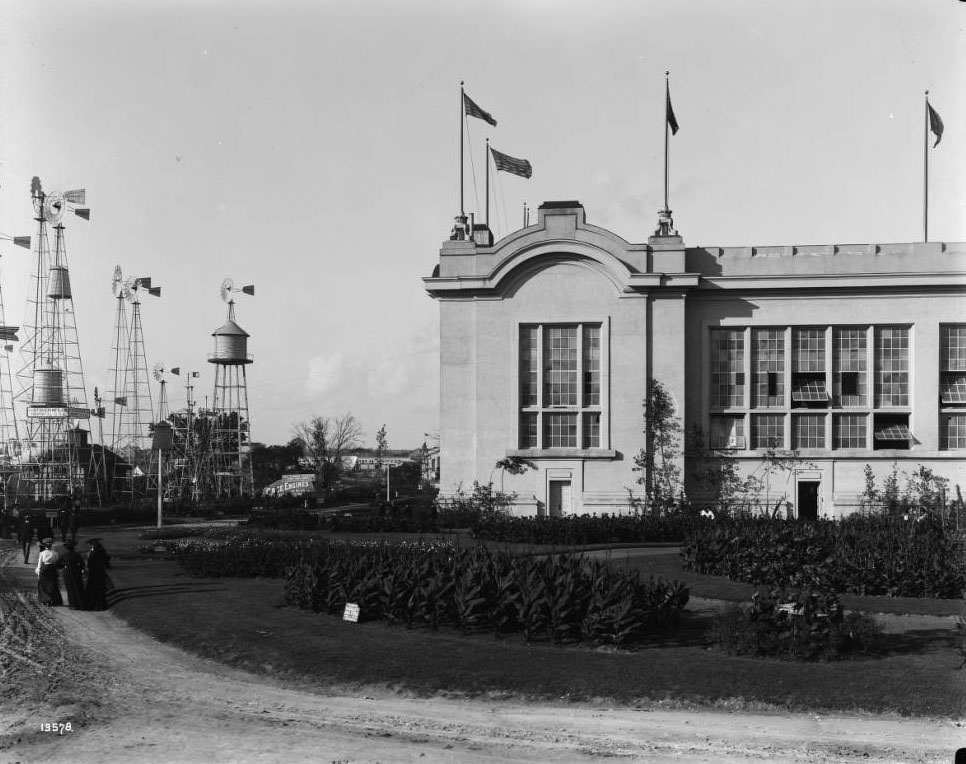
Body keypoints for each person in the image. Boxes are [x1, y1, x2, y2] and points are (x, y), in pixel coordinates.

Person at [85, 538, 112, 611]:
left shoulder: (91, 554)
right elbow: (107, 563)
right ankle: (101, 605)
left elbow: (88, 564)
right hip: (100, 572)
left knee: (93, 589)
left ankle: (93, 605)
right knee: (100, 589)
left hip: (93, 573)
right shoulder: (102, 552)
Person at [58, 539, 86, 609]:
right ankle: (81, 604)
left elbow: (58, 565)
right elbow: (82, 564)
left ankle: (73, 604)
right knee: (78, 588)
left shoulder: (64, 556)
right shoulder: (77, 555)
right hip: (76, 572)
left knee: (70, 588)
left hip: (68, 573)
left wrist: (64, 565)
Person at [35, 538, 62, 606]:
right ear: (51, 546)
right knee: (53, 585)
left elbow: (39, 564)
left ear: (44, 546)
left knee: (43, 585)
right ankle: (54, 600)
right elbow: (57, 562)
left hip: (44, 569)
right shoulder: (55, 553)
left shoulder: (42, 553)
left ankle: (46, 600)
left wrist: (38, 573)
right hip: (52, 569)